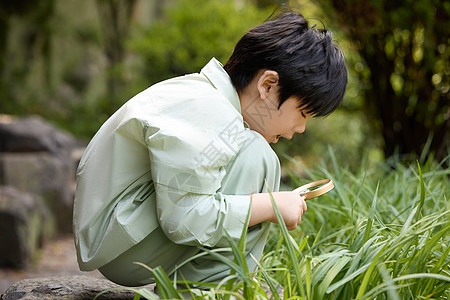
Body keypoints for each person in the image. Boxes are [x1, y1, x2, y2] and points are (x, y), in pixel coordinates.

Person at [73, 11, 347, 287]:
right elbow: (184, 219)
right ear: (267, 85)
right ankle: (204, 290)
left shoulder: (204, 97)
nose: (300, 128)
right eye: (302, 113)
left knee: (252, 148)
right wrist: (272, 205)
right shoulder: (211, 113)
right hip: (124, 248)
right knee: (258, 155)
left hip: (122, 239)